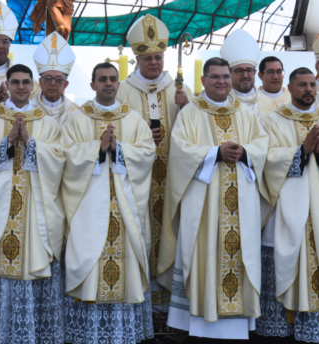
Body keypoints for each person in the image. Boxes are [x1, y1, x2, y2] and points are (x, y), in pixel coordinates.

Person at [160, 57, 269, 339]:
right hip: (204, 204)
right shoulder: (191, 112)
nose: (222, 81)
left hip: (240, 204)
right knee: (204, 255)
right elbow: (180, 150)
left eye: (225, 76)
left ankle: (237, 324)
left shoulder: (244, 113)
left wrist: (245, 152)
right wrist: (214, 153)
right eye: (215, 76)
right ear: (203, 81)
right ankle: (201, 323)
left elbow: (261, 143)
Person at [0, 64, 66, 344]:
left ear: (32, 86)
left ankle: (32, 334)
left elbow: (58, 160)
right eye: (15, 82)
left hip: (34, 210)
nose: (21, 87)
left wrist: (31, 143)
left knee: (32, 263)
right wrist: (7, 141)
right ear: (7, 86)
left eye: (25, 82)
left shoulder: (46, 122)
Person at [60, 62, 155, 344]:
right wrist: (97, 149)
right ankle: (89, 333)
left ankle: (121, 333)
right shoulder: (76, 119)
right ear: (92, 85)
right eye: (102, 79)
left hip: (125, 208)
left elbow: (148, 153)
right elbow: (65, 158)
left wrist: (119, 149)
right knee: (90, 265)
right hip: (88, 209)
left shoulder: (134, 119)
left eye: (113, 79)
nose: (109, 83)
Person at [256, 67, 319, 343]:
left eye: (312, 84)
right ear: (290, 87)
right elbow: (266, 158)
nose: (309, 89)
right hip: (286, 210)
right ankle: (282, 329)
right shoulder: (272, 121)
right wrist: (300, 152)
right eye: (302, 85)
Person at [116, 13, 192, 315]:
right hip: (139, 180)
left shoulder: (179, 91)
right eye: (148, 58)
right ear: (137, 59)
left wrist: (188, 110)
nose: (154, 63)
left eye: (159, 57)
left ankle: (168, 307)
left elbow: (194, 133)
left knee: (169, 229)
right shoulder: (123, 90)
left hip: (172, 177)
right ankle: (142, 303)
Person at [221, 29, 278, 118]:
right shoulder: (222, 102)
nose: (245, 75)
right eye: (239, 71)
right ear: (229, 74)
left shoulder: (269, 104)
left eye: (249, 70)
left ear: (255, 72)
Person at [31, 32, 79, 126]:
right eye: (48, 78)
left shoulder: (76, 113)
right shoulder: (28, 109)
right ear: (40, 82)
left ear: (65, 85)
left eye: (58, 79)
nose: (53, 83)